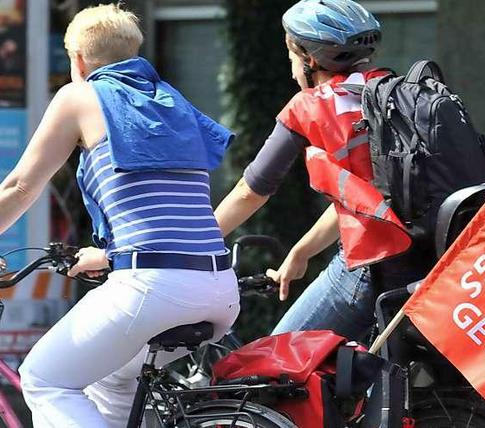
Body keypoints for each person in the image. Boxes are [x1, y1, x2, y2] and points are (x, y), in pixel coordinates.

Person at [0, 4, 238, 426]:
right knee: (110, 380)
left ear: (77, 59)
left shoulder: (80, 94)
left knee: (44, 379)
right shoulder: (170, 101)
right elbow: (162, 212)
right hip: (220, 287)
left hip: (154, 286)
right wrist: (109, 255)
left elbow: (21, 186)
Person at [215, 0, 424, 341]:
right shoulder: (396, 93)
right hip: (430, 257)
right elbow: (366, 199)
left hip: (370, 266)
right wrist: (301, 252)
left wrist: (193, 240)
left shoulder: (310, 105)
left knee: (274, 361)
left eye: (292, 58)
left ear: (310, 60)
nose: (291, 70)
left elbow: (250, 191)